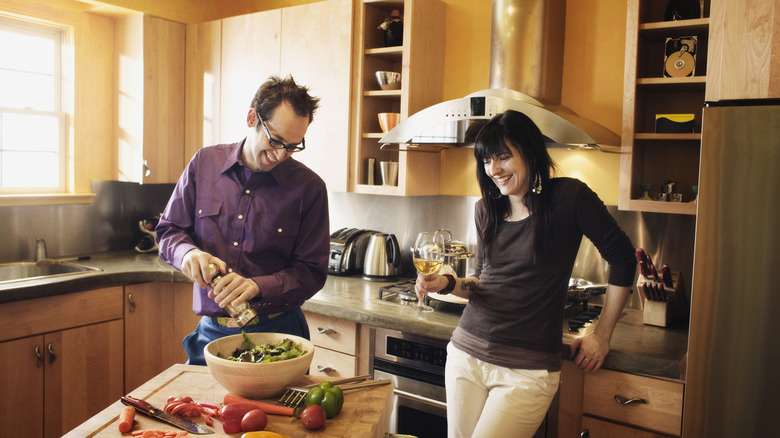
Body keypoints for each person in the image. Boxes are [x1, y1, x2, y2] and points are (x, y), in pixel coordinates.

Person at [415, 110, 636, 437]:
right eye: (487, 161)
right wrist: (447, 283)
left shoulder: (569, 198)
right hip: (466, 354)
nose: (494, 170)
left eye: (503, 157)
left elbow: (624, 259)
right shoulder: (486, 209)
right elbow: (484, 281)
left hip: (527, 371)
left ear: (530, 152)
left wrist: (602, 335)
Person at [156, 75, 330, 365]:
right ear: (252, 118)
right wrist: (188, 253)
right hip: (212, 334)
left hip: (279, 336)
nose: (280, 154)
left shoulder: (309, 188)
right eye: (275, 140)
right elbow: (169, 231)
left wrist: (257, 287)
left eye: (293, 146)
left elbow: (312, 271)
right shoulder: (204, 163)